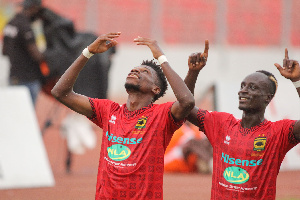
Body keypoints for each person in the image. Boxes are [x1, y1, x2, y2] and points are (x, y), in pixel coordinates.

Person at [51, 32, 195, 199]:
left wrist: (161, 58)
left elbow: (187, 102)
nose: (135, 70)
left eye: (145, 72)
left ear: (155, 89)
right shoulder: (108, 110)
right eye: (134, 69)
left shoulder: (161, 115)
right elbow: (60, 92)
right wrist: (87, 52)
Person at [184, 43, 300, 199]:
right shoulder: (221, 123)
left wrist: (297, 81)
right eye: (243, 86)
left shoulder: (279, 132)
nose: (243, 91)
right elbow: (186, 108)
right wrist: (193, 72)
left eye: (252, 87)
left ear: (267, 97)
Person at [2, 0, 47, 105]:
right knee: (27, 116)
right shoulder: (25, 26)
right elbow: (37, 55)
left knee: (15, 114)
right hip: (28, 79)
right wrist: (52, 55)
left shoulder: (11, 23)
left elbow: (5, 51)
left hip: (13, 77)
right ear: (34, 7)